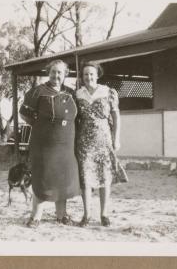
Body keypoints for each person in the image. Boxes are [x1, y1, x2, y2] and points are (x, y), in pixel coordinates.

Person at [19, 59, 80, 228]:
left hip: (66, 144)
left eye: (60, 72)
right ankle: (36, 217)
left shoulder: (71, 92)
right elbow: (24, 114)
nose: (56, 75)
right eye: (53, 72)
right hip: (44, 144)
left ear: (65, 74)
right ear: (48, 72)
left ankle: (61, 216)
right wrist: (42, 127)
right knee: (43, 177)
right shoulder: (37, 92)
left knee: (63, 178)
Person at [75, 61, 121, 227]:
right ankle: (87, 215)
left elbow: (116, 116)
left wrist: (116, 138)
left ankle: (104, 214)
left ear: (97, 75)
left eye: (91, 74)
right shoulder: (78, 94)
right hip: (84, 140)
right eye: (85, 74)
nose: (88, 77)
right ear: (82, 76)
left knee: (104, 177)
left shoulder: (108, 92)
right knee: (85, 178)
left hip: (104, 138)